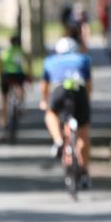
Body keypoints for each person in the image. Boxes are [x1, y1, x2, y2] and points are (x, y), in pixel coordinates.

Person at [40, 37, 93, 189]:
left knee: (50, 114)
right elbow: (89, 85)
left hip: (59, 92)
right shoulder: (83, 59)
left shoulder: (50, 61)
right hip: (79, 92)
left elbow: (45, 86)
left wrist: (44, 100)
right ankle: (84, 172)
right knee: (83, 135)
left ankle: (58, 141)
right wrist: (87, 101)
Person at [0, 34, 31, 130]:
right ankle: (21, 103)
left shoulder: (5, 51)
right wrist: (29, 73)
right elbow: (28, 61)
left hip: (6, 75)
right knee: (21, 87)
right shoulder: (21, 51)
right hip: (18, 75)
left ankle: (2, 121)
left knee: (4, 99)